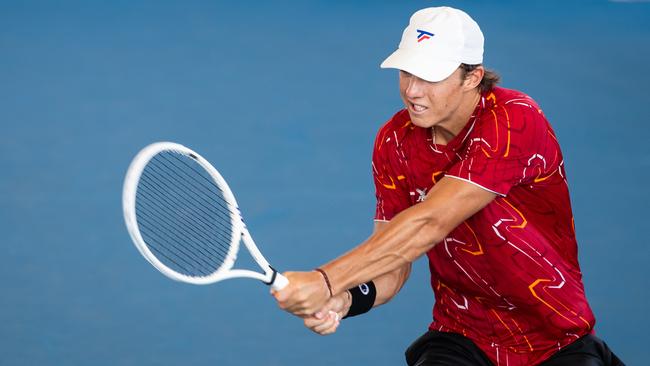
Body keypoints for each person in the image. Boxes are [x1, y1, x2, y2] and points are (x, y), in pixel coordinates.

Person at [272, 6, 623, 366]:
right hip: (461, 338)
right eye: (406, 72)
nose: (412, 90)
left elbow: (429, 222)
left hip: (555, 343)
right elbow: (394, 260)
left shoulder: (514, 119)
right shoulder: (395, 140)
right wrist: (346, 299)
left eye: (430, 77)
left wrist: (326, 281)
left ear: (473, 77)